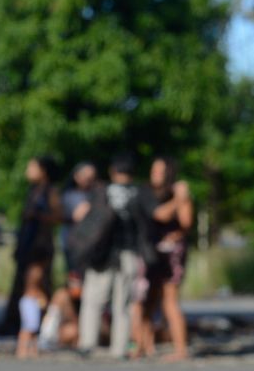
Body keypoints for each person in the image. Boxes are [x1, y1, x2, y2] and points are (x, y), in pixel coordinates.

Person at [79, 154, 145, 358]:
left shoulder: (102, 192)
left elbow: (83, 216)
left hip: (102, 253)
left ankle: (88, 343)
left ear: (112, 171)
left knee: (93, 300)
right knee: (122, 304)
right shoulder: (139, 193)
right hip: (129, 252)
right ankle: (119, 348)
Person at [135, 156, 193, 360]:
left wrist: (183, 199)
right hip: (150, 250)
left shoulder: (176, 192)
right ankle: (142, 345)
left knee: (170, 299)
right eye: (154, 170)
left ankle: (180, 349)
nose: (156, 174)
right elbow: (160, 215)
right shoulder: (145, 192)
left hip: (172, 252)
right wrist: (178, 199)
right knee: (146, 299)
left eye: (160, 171)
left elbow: (186, 221)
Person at [8, 156, 61, 358]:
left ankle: (31, 335)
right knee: (32, 291)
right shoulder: (32, 192)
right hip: (28, 246)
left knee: (34, 290)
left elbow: (59, 215)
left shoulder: (50, 192)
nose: (27, 171)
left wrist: (37, 216)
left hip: (40, 247)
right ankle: (31, 336)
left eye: (31, 166)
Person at [43, 162, 99, 352]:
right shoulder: (69, 196)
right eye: (86, 175)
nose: (89, 179)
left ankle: (82, 329)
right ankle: (69, 329)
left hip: (92, 250)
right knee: (75, 289)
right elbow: (76, 216)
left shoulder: (94, 194)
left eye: (93, 175)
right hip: (74, 250)